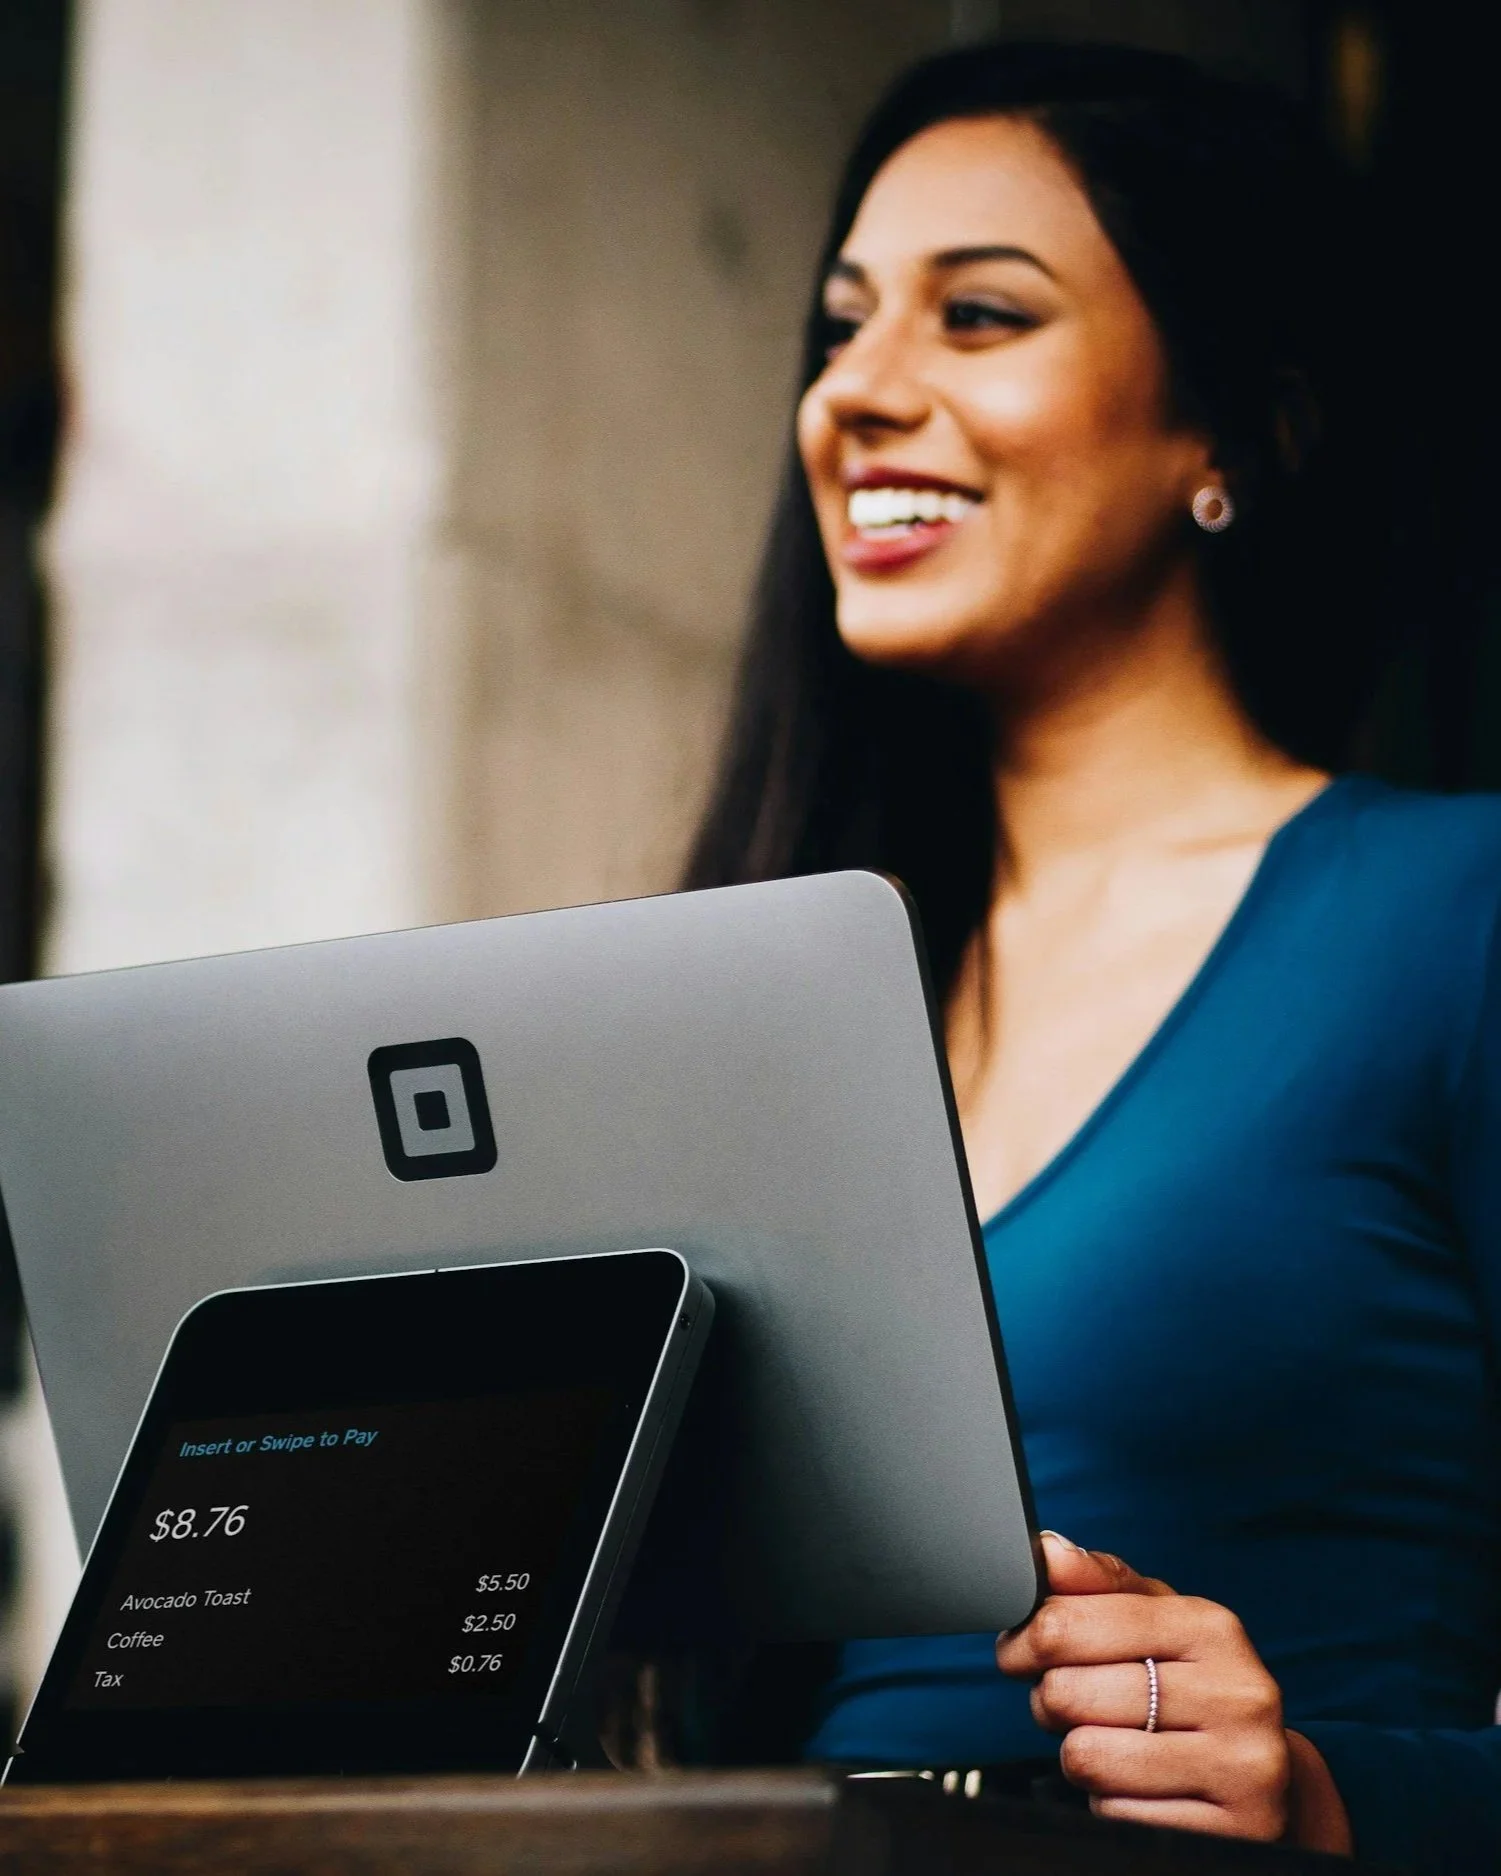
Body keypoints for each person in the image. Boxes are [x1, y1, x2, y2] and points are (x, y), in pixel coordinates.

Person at [684, 41, 1501, 1872]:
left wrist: (1337, 1788)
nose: (854, 397)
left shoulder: (1456, 920)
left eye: (979, 318)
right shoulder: (769, 996)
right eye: (838, 327)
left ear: (1231, 428)